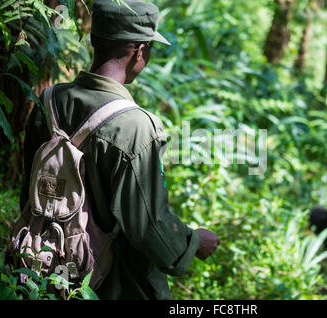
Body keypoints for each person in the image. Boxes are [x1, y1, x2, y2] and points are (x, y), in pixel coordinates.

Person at [19, 0, 220, 299]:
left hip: (41, 271)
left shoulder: (49, 102)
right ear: (139, 51)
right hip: (109, 283)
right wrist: (193, 242)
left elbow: (30, 193)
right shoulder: (136, 126)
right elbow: (147, 227)